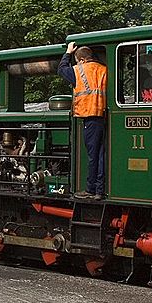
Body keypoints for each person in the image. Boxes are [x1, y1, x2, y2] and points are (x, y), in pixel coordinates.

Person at [58, 42, 107, 200]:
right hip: (102, 115)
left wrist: (67, 53)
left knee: (93, 156)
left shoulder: (79, 70)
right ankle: (99, 190)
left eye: (77, 61)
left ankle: (90, 190)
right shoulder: (103, 70)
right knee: (99, 155)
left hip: (89, 115)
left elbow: (61, 70)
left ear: (82, 60)